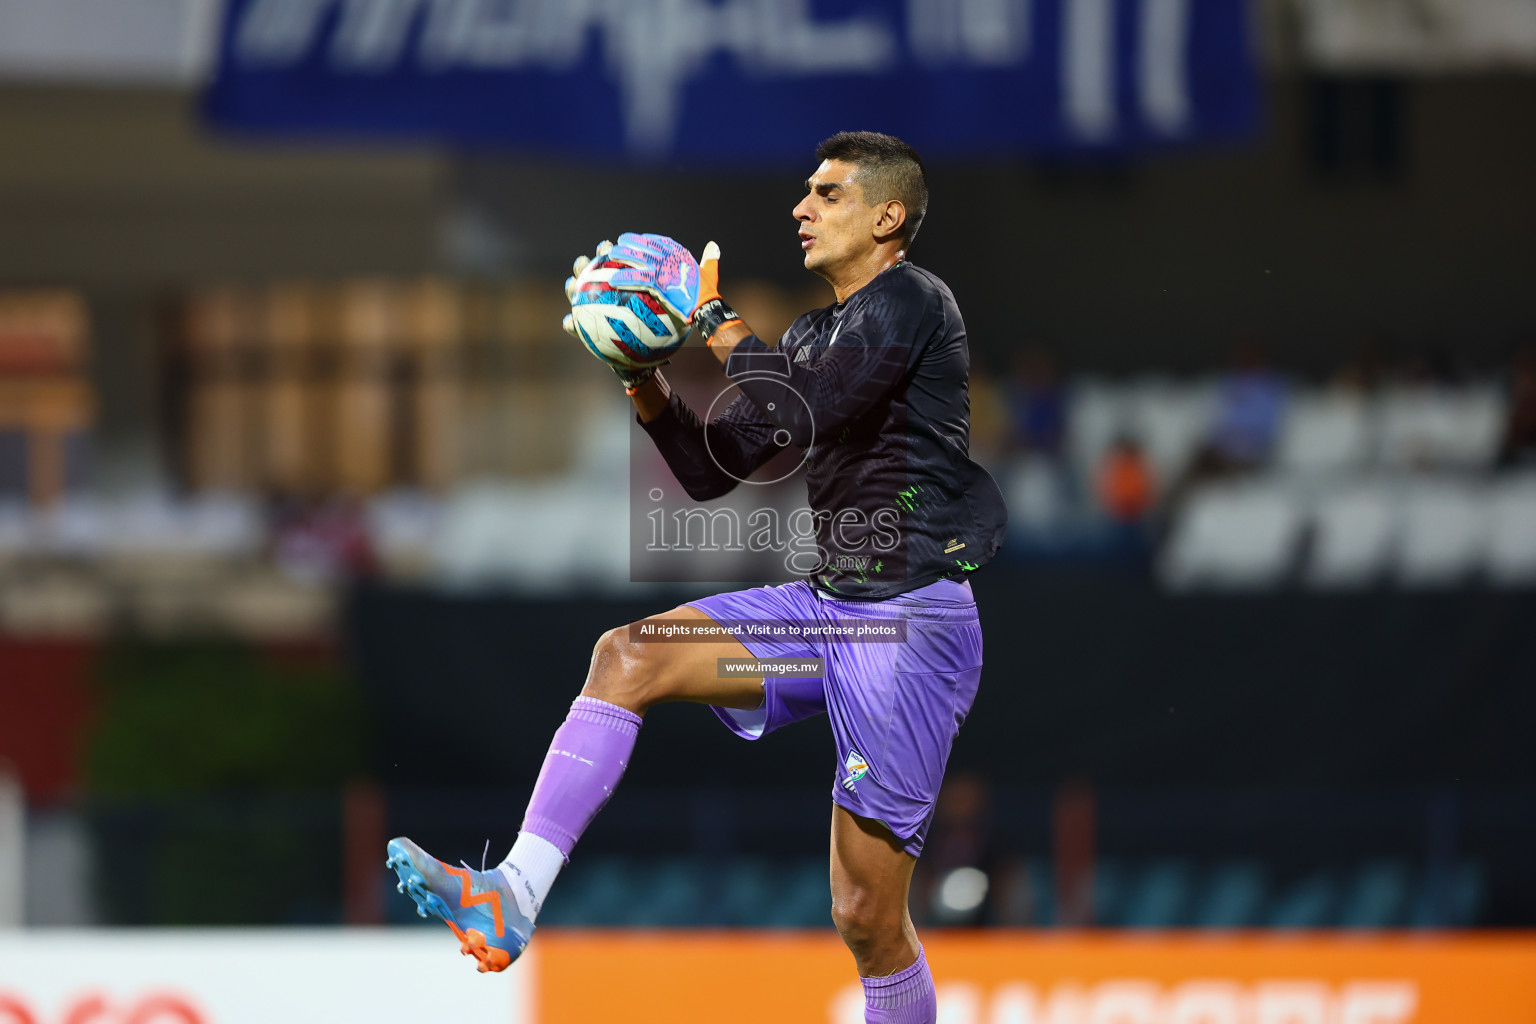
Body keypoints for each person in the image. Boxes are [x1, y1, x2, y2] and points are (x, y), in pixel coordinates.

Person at [385, 131, 1007, 1023]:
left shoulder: (913, 302)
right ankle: (512, 892)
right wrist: (642, 379)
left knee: (866, 918)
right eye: (806, 191)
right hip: (828, 609)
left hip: (907, 625)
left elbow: (802, 417)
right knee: (629, 655)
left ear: (888, 215)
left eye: (827, 194)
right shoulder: (815, 332)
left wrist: (712, 322)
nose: (802, 207)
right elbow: (717, 471)